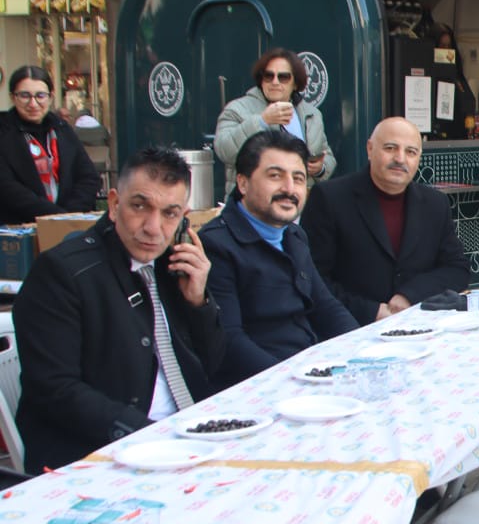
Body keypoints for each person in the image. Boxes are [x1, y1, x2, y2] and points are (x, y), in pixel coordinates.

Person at [12, 147, 225, 473]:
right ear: (114, 204)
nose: (153, 228)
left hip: (183, 436)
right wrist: (148, 434)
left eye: (169, 213)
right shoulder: (61, 272)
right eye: (140, 206)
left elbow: (212, 364)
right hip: (100, 453)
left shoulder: (171, 267)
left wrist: (199, 303)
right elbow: (55, 389)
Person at [200, 130, 357, 386]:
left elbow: (326, 306)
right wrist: (292, 380)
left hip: (311, 370)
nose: (289, 189)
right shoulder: (217, 244)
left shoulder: (293, 235)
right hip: (262, 386)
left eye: (298, 179)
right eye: (275, 176)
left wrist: (359, 352)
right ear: (243, 183)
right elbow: (230, 340)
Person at [302, 117, 469, 325]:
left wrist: (409, 295)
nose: (400, 158)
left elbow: (456, 269)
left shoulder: (436, 204)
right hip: (351, 329)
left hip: (419, 326)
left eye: (411, 152)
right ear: (370, 149)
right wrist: (370, 310)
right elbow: (311, 277)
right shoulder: (330, 198)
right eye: (390, 148)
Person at [214, 48, 335, 196]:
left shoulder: (312, 114)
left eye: (283, 77)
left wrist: (320, 168)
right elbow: (223, 149)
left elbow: (327, 155)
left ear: (295, 84)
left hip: (299, 204)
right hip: (254, 203)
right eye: (268, 76)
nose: (275, 82)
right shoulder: (237, 109)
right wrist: (262, 121)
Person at [0, 65, 102, 223]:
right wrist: (55, 216)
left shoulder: (62, 129)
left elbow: (89, 177)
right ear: (13, 97)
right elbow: (7, 187)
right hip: (19, 229)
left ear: (51, 96)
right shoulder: (3, 132)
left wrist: (69, 215)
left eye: (40, 95)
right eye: (25, 95)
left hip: (69, 225)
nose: (33, 104)